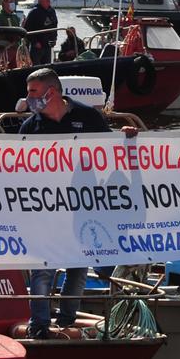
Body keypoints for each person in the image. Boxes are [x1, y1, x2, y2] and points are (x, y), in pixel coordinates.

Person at [18, 69, 137, 339]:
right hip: (45, 209)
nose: (28, 98)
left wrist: (127, 137)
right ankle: (39, 324)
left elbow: (112, 150)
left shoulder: (88, 117)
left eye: (33, 92)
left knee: (78, 266)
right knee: (43, 269)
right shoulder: (30, 127)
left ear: (52, 92)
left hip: (83, 206)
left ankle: (66, 320)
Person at [22, 0, 58, 65]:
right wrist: (34, 42)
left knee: (47, 66)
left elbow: (55, 25)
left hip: (48, 45)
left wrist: (54, 38)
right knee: (36, 66)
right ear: (40, 0)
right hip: (38, 46)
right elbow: (27, 28)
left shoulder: (52, 11)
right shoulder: (34, 12)